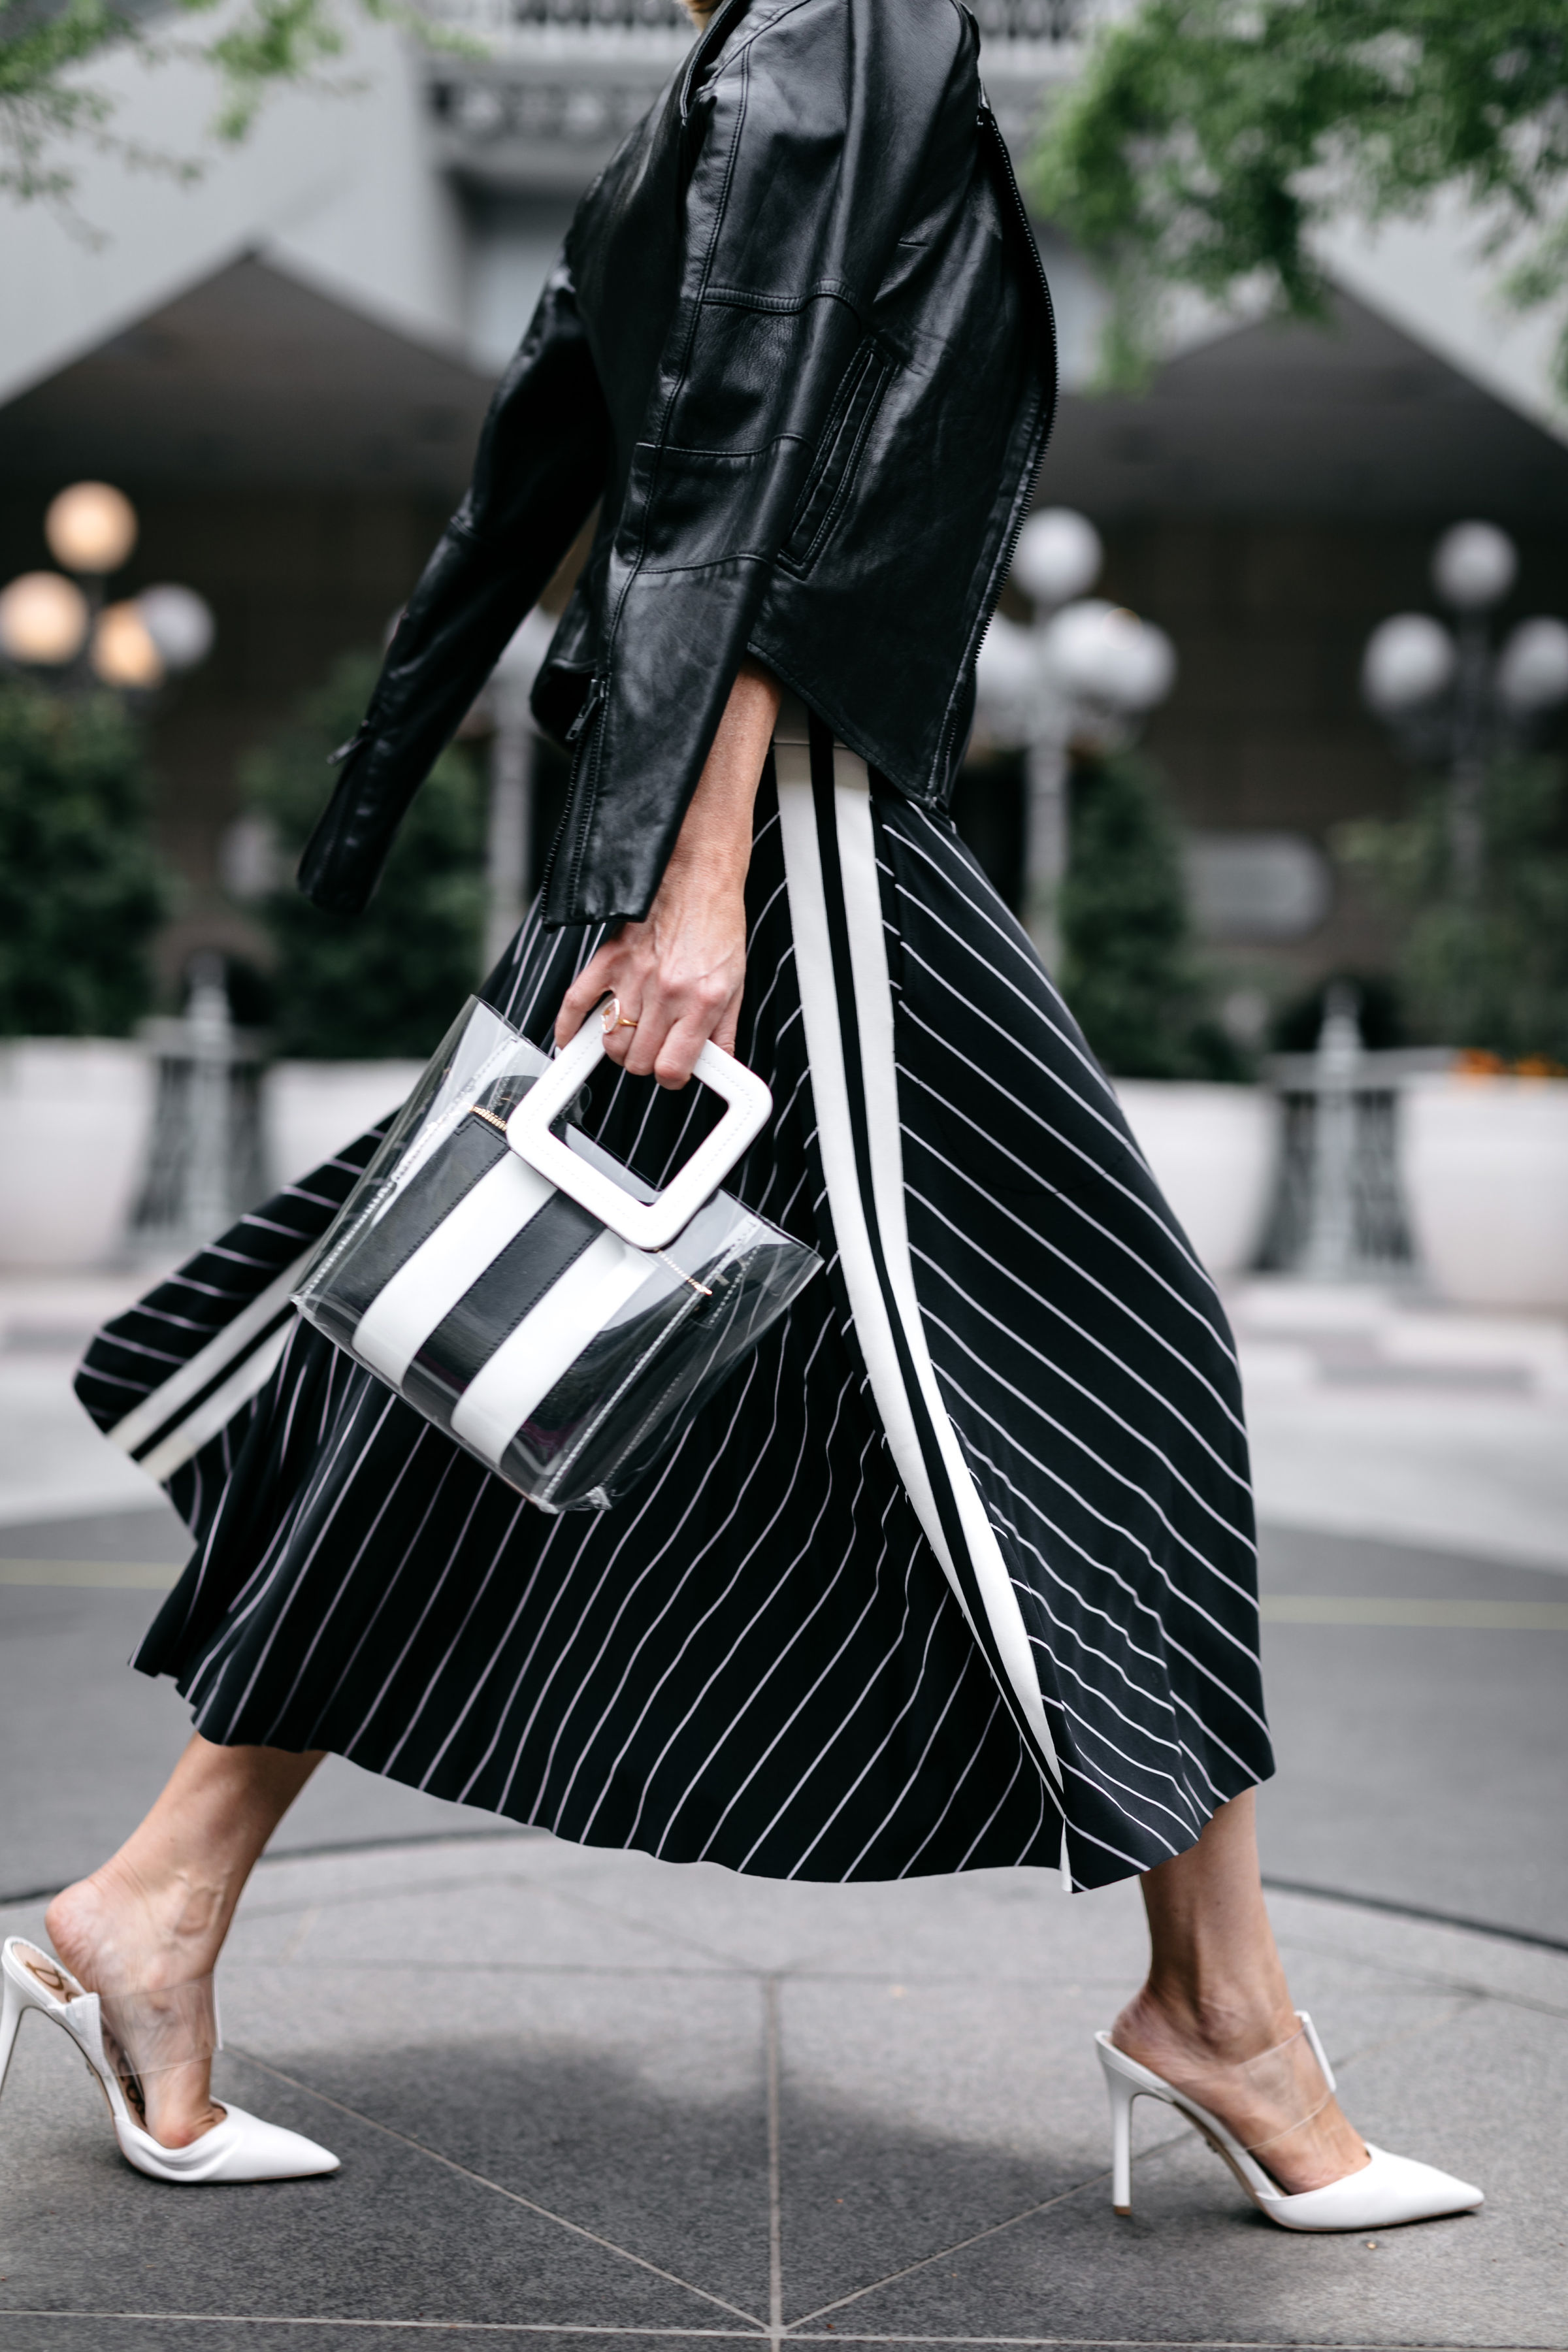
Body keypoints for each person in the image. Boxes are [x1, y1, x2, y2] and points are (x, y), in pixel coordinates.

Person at [10, 0, 1478, 2231]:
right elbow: (767, 452)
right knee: (1105, 1349)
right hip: (784, 830)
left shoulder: (753, 48)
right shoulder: (841, 20)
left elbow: (662, 431)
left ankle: (160, 1898)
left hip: (750, 808)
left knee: (489, 1345)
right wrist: (703, 876)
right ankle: (1223, 2018)